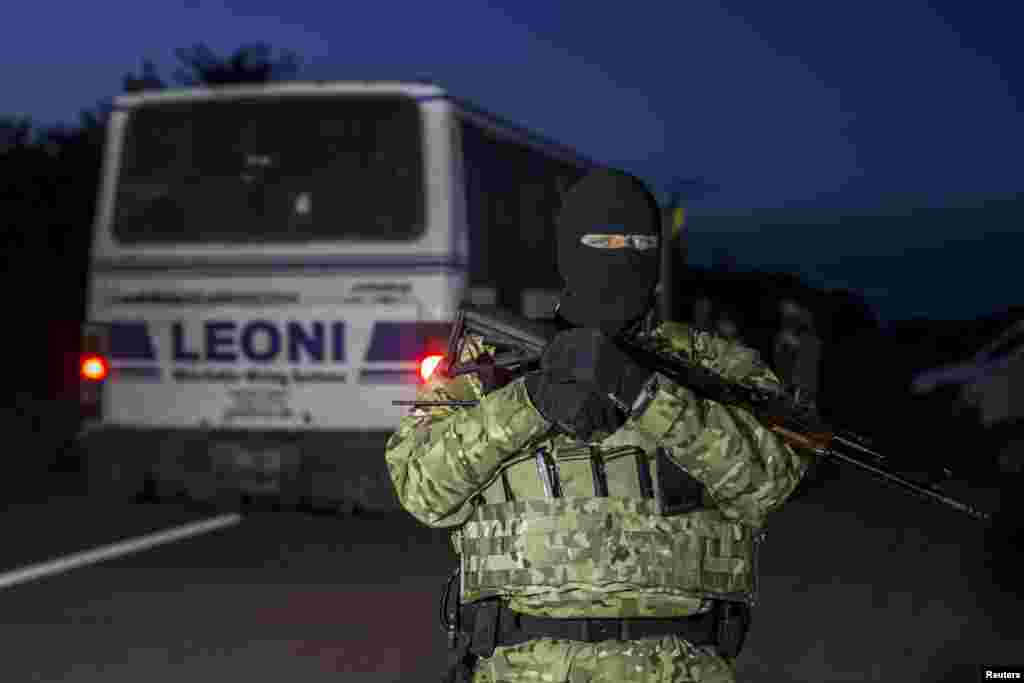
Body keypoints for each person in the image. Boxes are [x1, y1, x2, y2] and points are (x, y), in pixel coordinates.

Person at [385, 169, 814, 682]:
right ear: (570, 251)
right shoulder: (499, 363)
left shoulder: (714, 368)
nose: (622, 256)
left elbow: (768, 481)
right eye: (605, 241)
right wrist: (532, 402)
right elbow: (419, 486)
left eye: (638, 243)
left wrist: (642, 390)